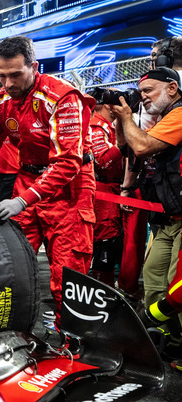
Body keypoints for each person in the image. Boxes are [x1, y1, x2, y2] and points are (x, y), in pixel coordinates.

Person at [0, 36, 96, 324]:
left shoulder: (62, 96)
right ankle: (12, 329)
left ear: (34, 67)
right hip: (27, 180)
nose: (8, 83)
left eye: (15, 75)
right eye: (1, 76)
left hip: (69, 189)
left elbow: (68, 162)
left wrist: (21, 201)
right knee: (8, 264)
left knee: (68, 274)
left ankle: (73, 343)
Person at [114, 67, 182, 352]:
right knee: (154, 282)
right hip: (164, 218)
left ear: (171, 88)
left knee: (176, 289)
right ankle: (170, 340)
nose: (142, 97)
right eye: (140, 92)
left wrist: (129, 118)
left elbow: (140, 147)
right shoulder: (164, 119)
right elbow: (125, 146)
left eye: (148, 91)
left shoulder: (179, 114)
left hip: (180, 220)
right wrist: (121, 120)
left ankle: (179, 346)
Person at [88, 95, 123, 288]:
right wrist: (123, 147)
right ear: (109, 105)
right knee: (106, 240)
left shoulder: (107, 126)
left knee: (113, 241)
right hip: (104, 191)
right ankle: (102, 290)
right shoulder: (96, 126)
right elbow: (101, 161)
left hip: (114, 189)